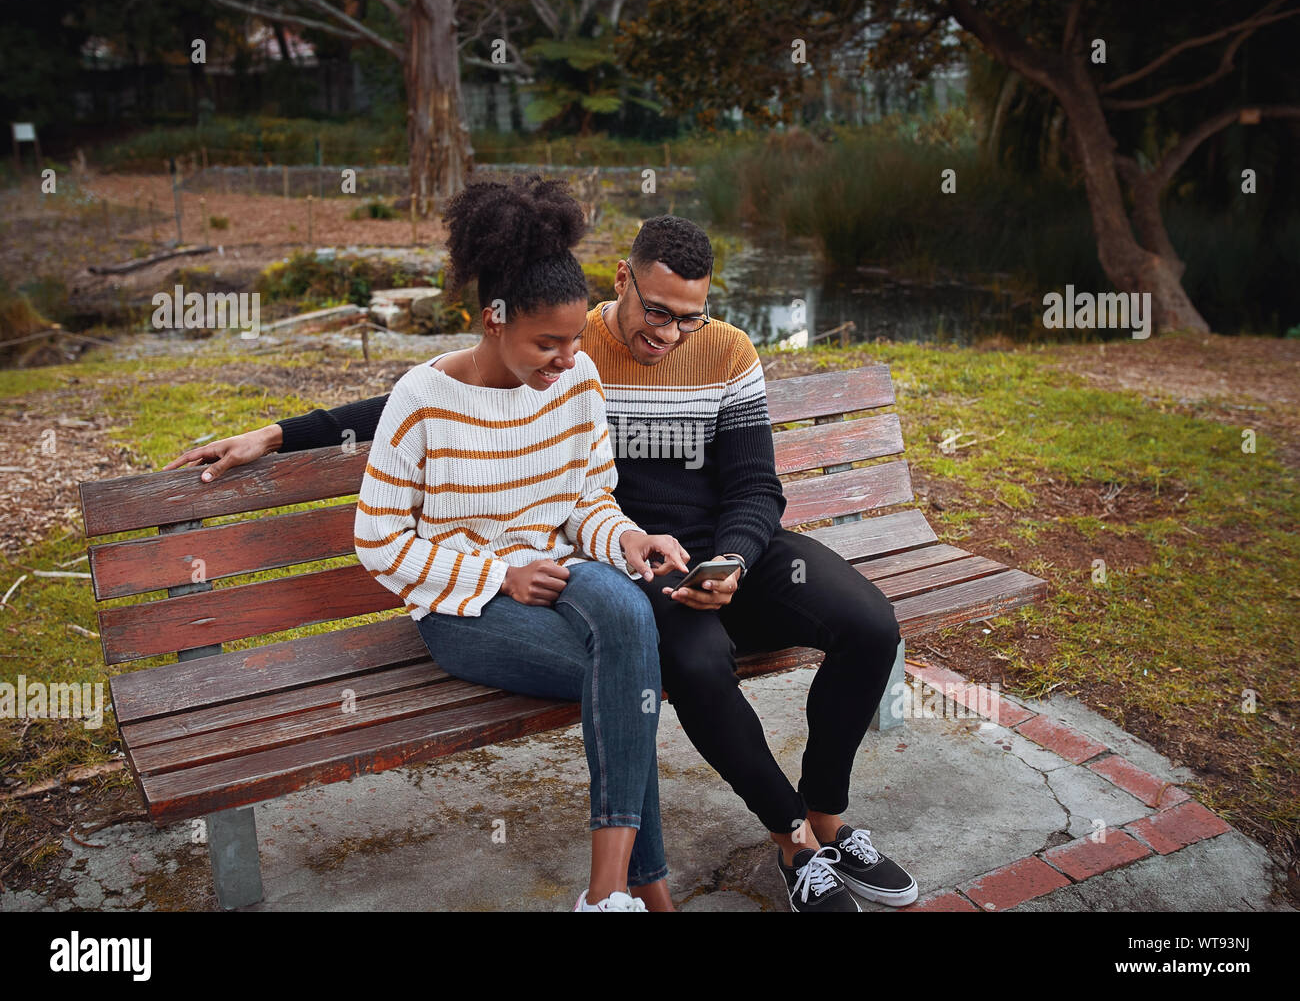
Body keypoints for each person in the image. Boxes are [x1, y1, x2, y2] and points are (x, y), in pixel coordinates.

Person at [166, 213, 917, 913]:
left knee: (855, 625)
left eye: (691, 317)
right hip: (559, 573)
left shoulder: (681, 355)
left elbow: (724, 486)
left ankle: (816, 824)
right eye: (657, 311)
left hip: (688, 550)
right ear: (621, 280)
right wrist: (278, 433)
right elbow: (431, 397)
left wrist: (711, 553)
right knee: (662, 667)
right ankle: (729, 861)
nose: (672, 333)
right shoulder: (564, 341)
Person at [352, 175, 688, 911]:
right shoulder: (422, 401)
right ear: (492, 321)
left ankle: (605, 896)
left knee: (630, 622)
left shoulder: (578, 381)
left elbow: (584, 501)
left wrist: (626, 536)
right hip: (463, 609)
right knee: (629, 682)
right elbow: (377, 542)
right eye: (548, 343)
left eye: (574, 340)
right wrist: (496, 574)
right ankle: (650, 891)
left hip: (565, 578)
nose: (568, 359)